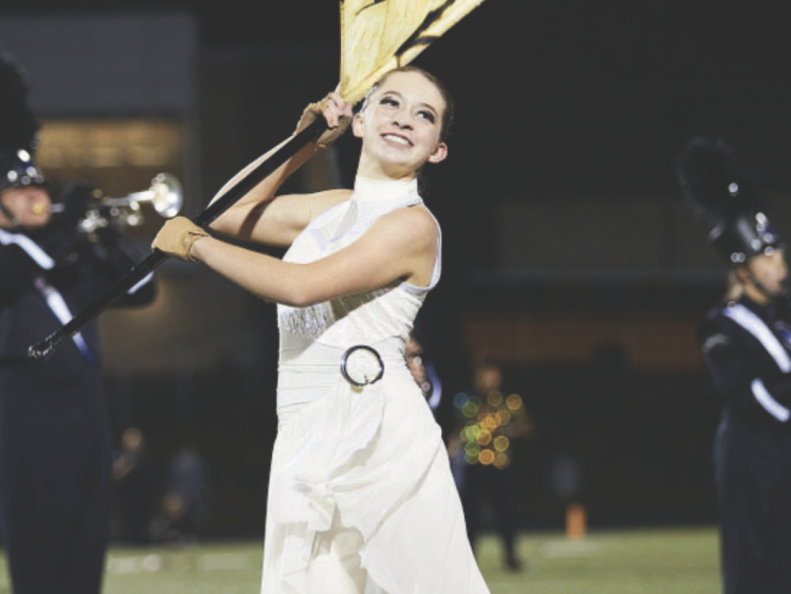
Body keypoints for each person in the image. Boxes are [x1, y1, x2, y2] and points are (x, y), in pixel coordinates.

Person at [153, 66, 490, 593]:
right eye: (391, 104)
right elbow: (229, 211)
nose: (404, 120)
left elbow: (299, 285)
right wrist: (301, 142)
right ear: (359, 120)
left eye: (424, 116)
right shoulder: (334, 209)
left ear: (437, 149)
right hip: (307, 430)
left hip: (378, 436)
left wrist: (195, 246)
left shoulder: (413, 225)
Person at [0, 51, 155, 594]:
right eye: (23, 191)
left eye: (41, 188)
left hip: (86, 401)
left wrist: (105, 235)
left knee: (87, 538)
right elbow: (11, 271)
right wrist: (66, 227)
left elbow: (142, 289)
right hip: (25, 404)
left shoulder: (67, 250)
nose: (39, 197)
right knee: (39, 542)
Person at [679, 137, 791, 594]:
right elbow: (752, 396)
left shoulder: (780, 321)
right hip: (751, 456)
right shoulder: (721, 326)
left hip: (782, 452)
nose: (780, 263)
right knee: (753, 568)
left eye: (779, 251)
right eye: (768, 256)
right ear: (742, 268)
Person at [451, 354, 532, 571]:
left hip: (500, 463)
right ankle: (469, 559)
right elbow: (459, 429)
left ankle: (511, 556)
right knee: (471, 514)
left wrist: (508, 431)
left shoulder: (509, 402)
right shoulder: (466, 400)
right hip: (474, 463)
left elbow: (525, 426)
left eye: (492, 375)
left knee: (506, 510)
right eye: (484, 375)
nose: (488, 380)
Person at [112, 427, 153, 545]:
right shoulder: (119, 458)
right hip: (124, 502)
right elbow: (115, 475)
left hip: (141, 501)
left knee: (140, 527)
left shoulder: (143, 460)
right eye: (129, 439)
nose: (132, 442)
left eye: (135, 439)